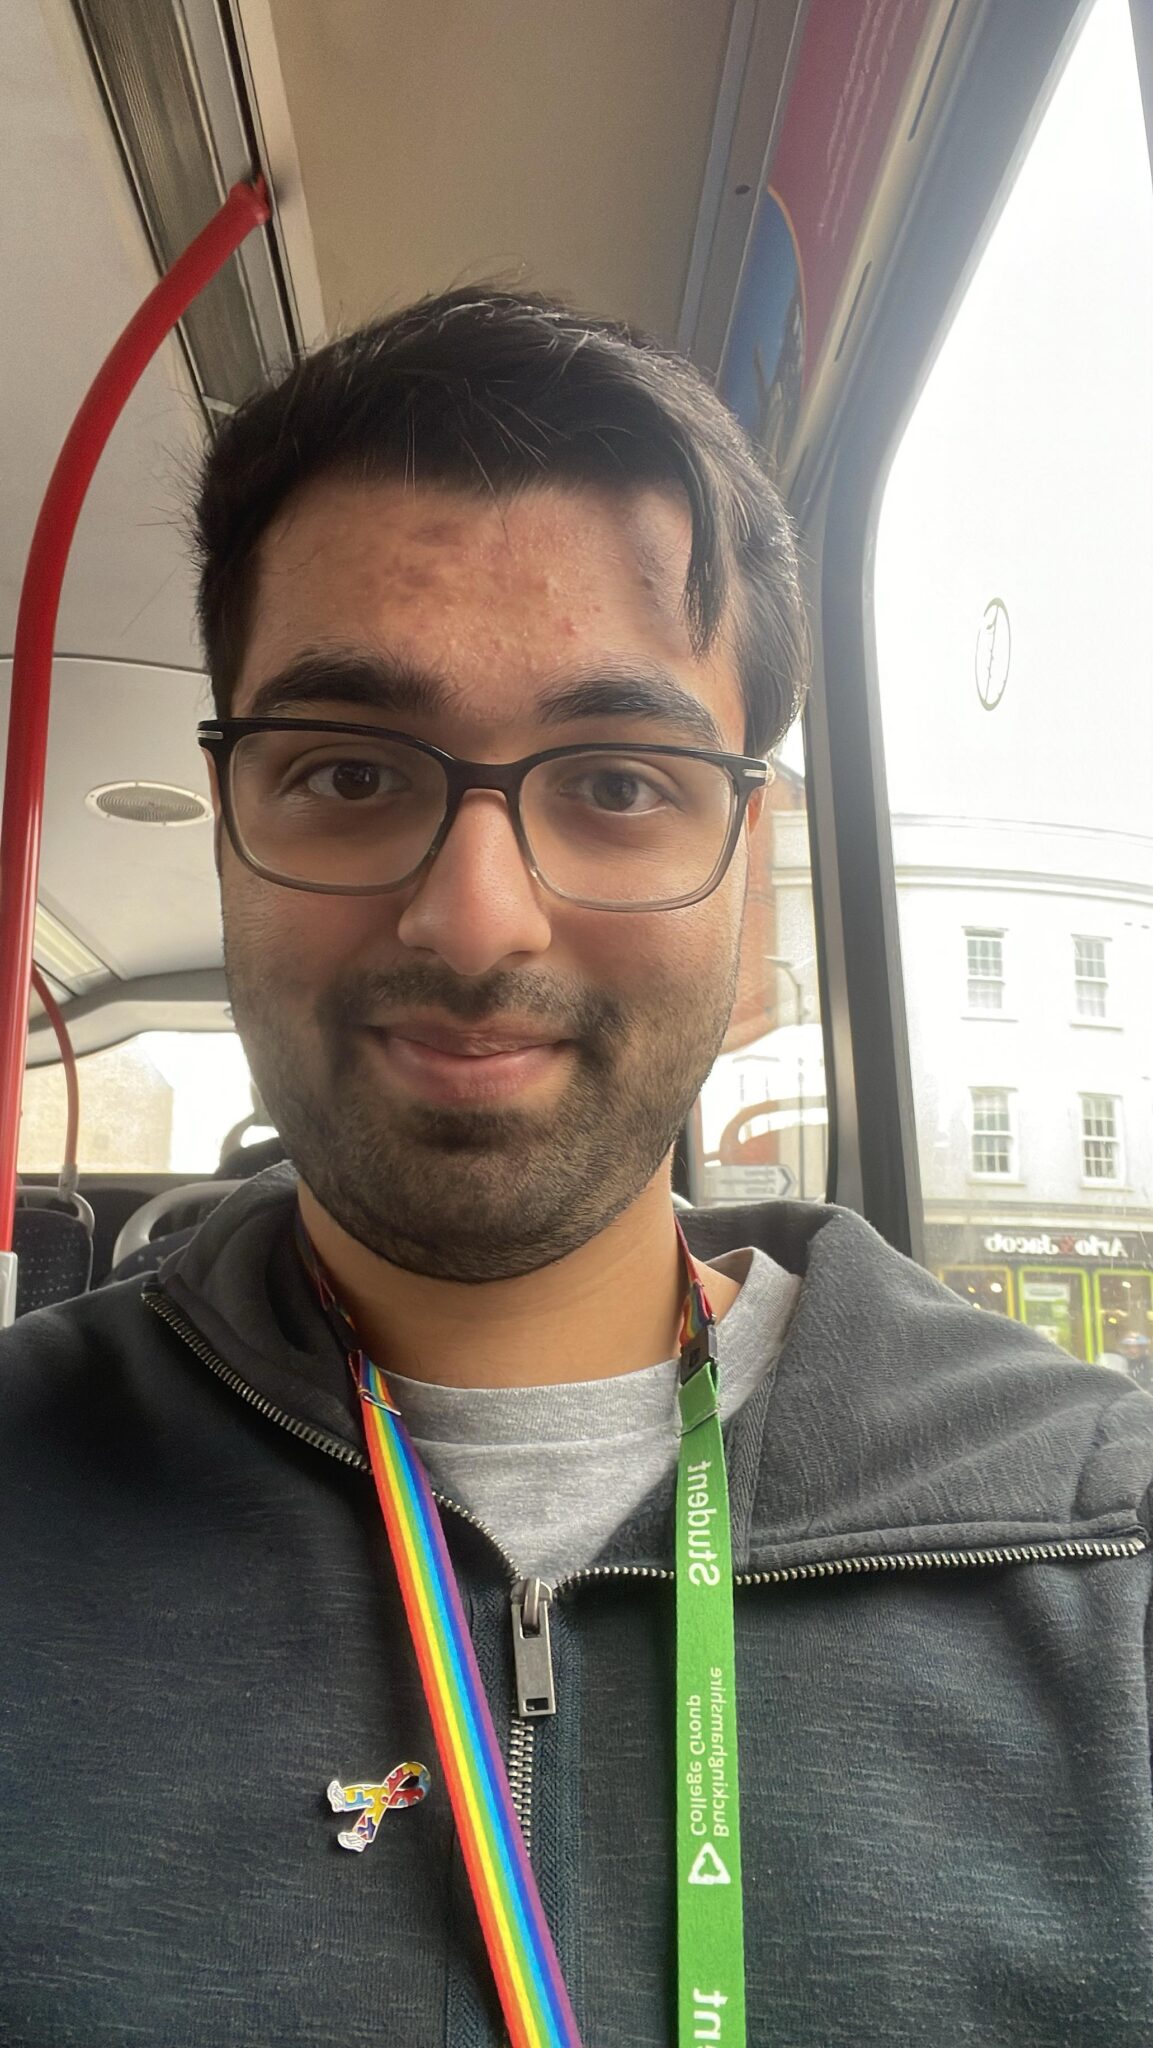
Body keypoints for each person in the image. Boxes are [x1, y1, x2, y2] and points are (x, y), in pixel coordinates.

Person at [2, 289, 1152, 2048]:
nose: (476, 921)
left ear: (748, 880)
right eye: (346, 770)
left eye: (615, 781)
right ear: (231, 827)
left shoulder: (1104, 1555)